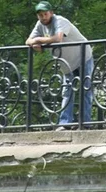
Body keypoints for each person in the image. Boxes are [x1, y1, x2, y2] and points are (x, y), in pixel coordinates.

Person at [26, 1, 94, 129]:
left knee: (86, 89)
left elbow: (58, 38)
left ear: (51, 13)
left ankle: (86, 124)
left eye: (45, 14)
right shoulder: (39, 25)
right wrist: (34, 43)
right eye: (40, 15)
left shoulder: (60, 21)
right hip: (66, 62)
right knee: (67, 91)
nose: (43, 17)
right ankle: (65, 123)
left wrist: (38, 41)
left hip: (82, 56)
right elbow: (28, 40)